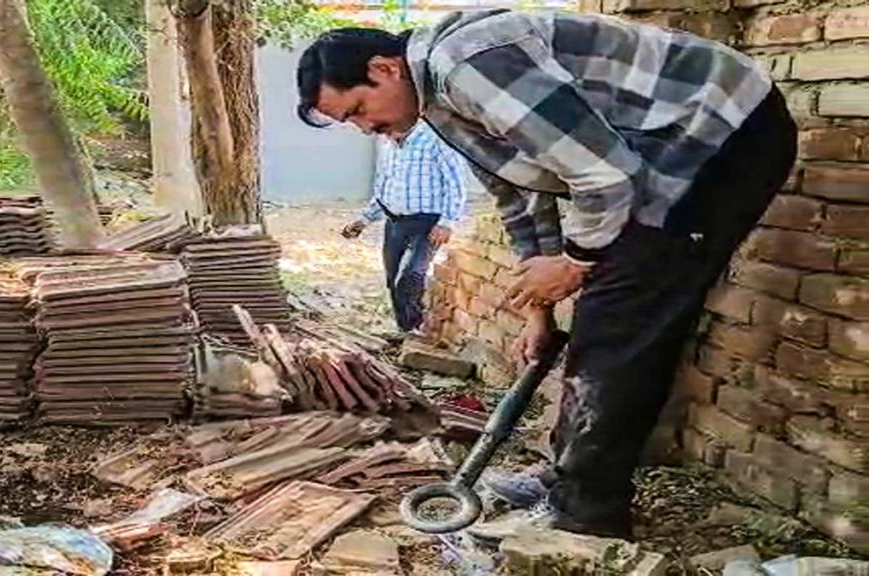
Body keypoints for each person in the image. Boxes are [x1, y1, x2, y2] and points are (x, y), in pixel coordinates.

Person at [295, 10, 796, 538]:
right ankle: (571, 479)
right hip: (655, 150)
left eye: (358, 110)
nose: (366, 128)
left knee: (622, 311)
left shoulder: (469, 65)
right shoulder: (440, 99)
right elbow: (521, 195)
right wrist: (540, 310)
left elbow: (605, 173)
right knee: (611, 310)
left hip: (721, 132)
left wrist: (576, 262)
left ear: (385, 68)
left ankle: (585, 511)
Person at [341, 119, 467, 335]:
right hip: (395, 222)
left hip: (427, 223)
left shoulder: (436, 139)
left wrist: (447, 222)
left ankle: (414, 328)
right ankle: (405, 330)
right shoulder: (387, 144)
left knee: (409, 276)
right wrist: (364, 220)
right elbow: (384, 187)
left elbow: (455, 185)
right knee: (392, 280)